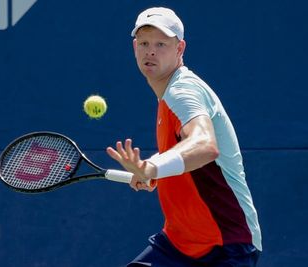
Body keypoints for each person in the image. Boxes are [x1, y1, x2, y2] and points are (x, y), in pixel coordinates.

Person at [107, 7, 262, 267]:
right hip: (179, 244)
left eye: (161, 44)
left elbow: (204, 146)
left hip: (225, 244)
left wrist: (151, 167)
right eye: (144, 43)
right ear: (135, 47)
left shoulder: (182, 90)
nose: (151, 51)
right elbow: (185, 148)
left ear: (180, 49)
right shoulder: (168, 94)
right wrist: (155, 169)